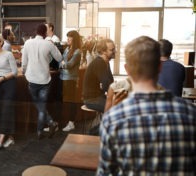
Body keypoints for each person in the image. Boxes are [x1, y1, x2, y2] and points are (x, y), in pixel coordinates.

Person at [97, 36, 196, 175]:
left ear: (127, 69)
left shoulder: (113, 119)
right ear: (160, 66)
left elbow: (106, 172)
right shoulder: (191, 113)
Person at [22, 23, 63, 139]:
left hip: (31, 79)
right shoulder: (48, 44)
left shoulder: (27, 43)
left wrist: (24, 71)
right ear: (45, 32)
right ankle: (45, 126)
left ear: (36, 32)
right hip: (44, 79)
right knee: (41, 105)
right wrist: (49, 56)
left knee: (39, 105)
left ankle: (46, 126)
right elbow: (59, 58)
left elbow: (24, 61)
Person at [82, 38, 115, 113]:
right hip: (91, 100)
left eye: (114, 49)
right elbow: (106, 85)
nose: (114, 52)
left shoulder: (106, 62)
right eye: (111, 50)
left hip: (98, 97)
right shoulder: (99, 63)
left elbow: (110, 83)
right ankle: (102, 124)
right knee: (116, 109)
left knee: (120, 104)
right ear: (103, 51)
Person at [59, 30, 82, 132]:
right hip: (63, 77)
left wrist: (63, 63)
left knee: (71, 102)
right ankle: (68, 121)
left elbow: (69, 65)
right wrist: (63, 63)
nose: (67, 39)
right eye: (67, 37)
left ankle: (71, 122)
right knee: (66, 102)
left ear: (74, 39)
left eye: (69, 37)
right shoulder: (67, 49)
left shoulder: (77, 52)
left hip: (70, 79)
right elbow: (62, 62)